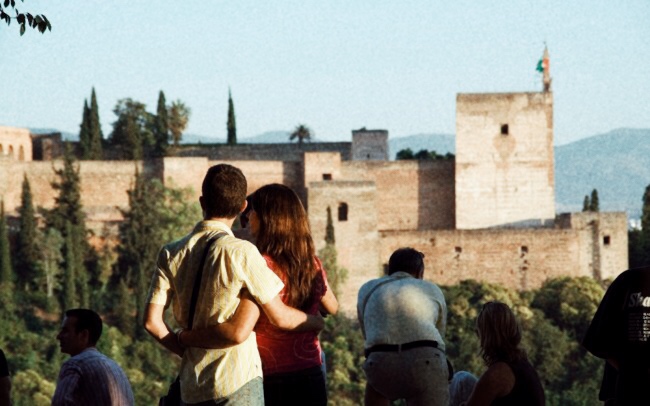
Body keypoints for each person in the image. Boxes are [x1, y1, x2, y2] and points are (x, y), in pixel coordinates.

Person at [144, 164, 324, 405]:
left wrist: (184, 346)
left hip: (192, 385)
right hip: (237, 381)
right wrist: (317, 321)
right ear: (243, 207)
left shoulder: (170, 252)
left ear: (202, 202)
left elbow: (152, 322)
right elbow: (279, 316)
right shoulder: (243, 253)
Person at [183, 183, 339, 405]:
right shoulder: (312, 263)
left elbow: (244, 325)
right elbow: (332, 306)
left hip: (272, 374)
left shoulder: (261, 265)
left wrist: (185, 337)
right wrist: (312, 315)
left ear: (267, 218)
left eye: (251, 213)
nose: (247, 219)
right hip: (310, 369)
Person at [357, 247, 449, 406]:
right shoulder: (432, 288)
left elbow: (368, 332)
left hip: (381, 361)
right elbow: (440, 334)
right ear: (420, 272)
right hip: (425, 361)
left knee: (376, 383)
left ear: (389, 270)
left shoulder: (367, 288)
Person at [583, 265, 650, 405]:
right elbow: (599, 341)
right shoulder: (630, 280)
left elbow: (598, 342)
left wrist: (633, 375)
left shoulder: (629, 280)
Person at [462, 302, 545, 406]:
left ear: (486, 335)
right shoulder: (523, 366)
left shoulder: (498, 373)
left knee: (462, 379)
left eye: (479, 332)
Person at [52, 308, 135, 406]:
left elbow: (60, 403)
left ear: (83, 335)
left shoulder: (75, 364)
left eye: (65, 331)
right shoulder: (116, 368)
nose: (59, 336)